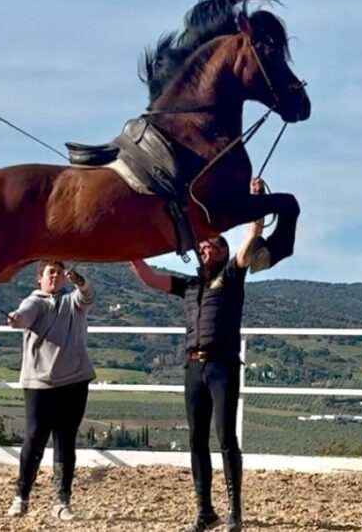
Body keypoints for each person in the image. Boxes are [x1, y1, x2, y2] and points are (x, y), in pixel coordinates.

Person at [130, 178, 267, 532]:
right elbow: (148, 277)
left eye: (211, 244)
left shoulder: (233, 276)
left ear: (222, 251)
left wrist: (255, 201)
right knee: (196, 440)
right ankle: (204, 510)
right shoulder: (188, 285)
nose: (204, 247)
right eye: (202, 244)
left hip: (222, 366)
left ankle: (235, 509)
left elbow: (250, 238)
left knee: (226, 438)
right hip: (193, 367)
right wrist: (128, 245)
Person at [6, 260, 96, 521]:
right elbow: (23, 315)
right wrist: (16, 320)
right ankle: (21, 496)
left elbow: (88, 296)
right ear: (40, 279)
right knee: (34, 438)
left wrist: (79, 280)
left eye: (58, 272)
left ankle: (62, 500)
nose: (55, 276)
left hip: (75, 381)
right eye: (50, 272)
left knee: (65, 440)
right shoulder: (34, 302)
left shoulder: (73, 301)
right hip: (39, 384)